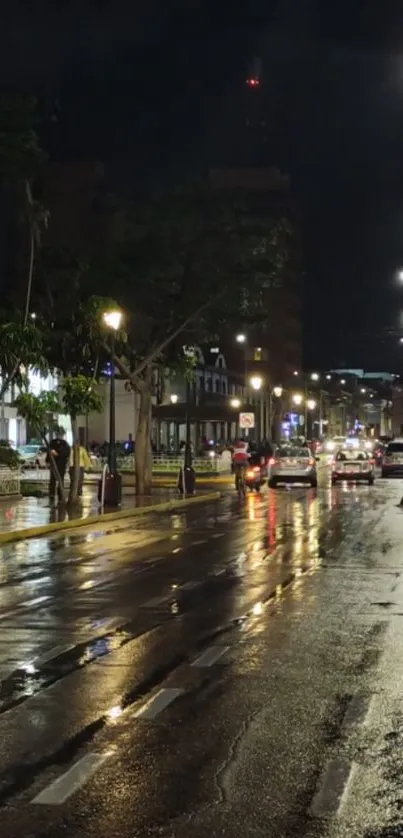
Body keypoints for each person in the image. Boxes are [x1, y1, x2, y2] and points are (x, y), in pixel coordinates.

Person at [47, 429, 70, 502]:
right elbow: (49, 451)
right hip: (54, 464)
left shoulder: (65, 443)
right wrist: (48, 459)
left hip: (61, 464)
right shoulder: (52, 442)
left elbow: (66, 453)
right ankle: (52, 494)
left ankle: (60, 494)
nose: (59, 436)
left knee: (61, 479)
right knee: (52, 479)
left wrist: (58, 454)